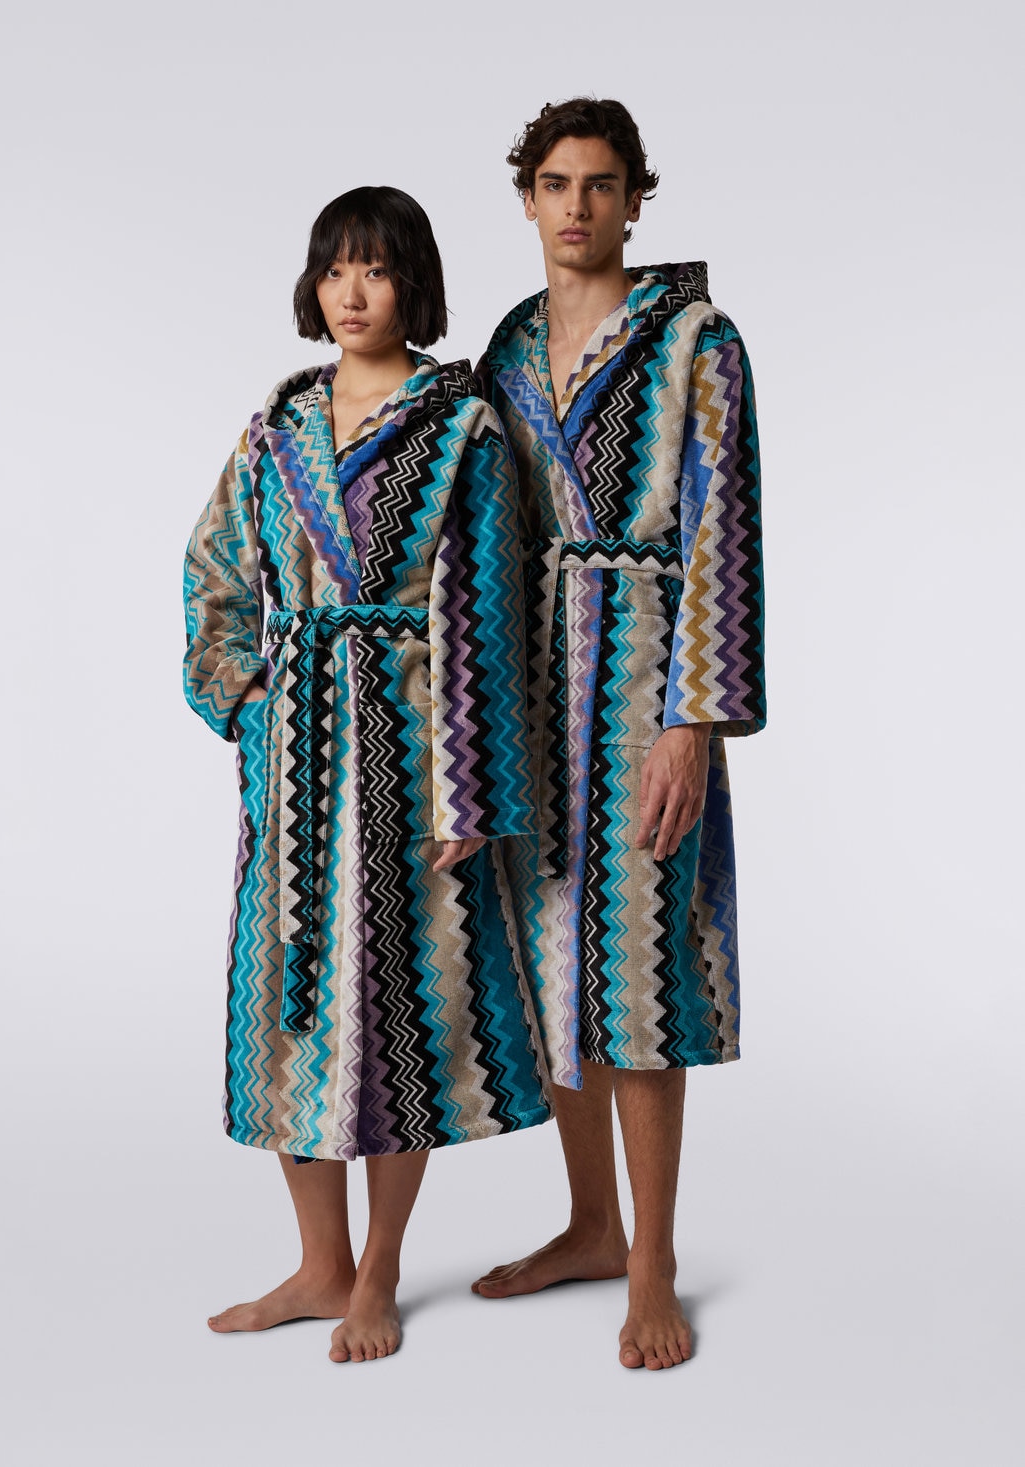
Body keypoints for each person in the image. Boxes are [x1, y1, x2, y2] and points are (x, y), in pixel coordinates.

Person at [183, 186, 549, 1363]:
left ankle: (379, 1267)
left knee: (400, 1011)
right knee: (288, 1002)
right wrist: (247, 703)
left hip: (412, 752)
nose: (352, 292)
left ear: (412, 286)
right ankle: (317, 1265)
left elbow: (492, 612)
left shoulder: (461, 429)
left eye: (376, 270)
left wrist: (472, 782)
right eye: (335, 268)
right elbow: (215, 572)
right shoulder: (275, 427)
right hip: (295, 763)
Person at [473, 99, 766, 1371]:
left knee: (639, 971)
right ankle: (589, 1225)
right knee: (548, 961)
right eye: (555, 183)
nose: (577, 205)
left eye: (600, 184)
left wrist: (692, 720)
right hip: (530, 691)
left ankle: (652, 1259)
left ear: (636, 199)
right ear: (526, 197)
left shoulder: (697, 339)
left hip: (645, 677)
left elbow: (720, 528)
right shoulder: (503, 347)